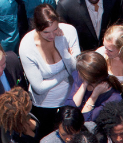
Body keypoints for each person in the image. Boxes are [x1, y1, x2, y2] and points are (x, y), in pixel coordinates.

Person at [19, 5, 80, 136]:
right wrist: (65, 71)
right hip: (44, 106)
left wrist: (62, 46)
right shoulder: (27, 45)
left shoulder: (68, 32)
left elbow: (75, 68)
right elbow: (39, 87)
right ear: (36, 28)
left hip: (70, 99)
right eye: (46, 32)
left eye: (55, 29)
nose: (52, 35)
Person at [67, 49, 123, 121]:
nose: (77, 73)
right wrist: (84, 84)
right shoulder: (79, 79)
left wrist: (93, 97)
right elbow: (69, 109)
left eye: (80, 72)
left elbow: (86, 122)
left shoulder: (113, 97)